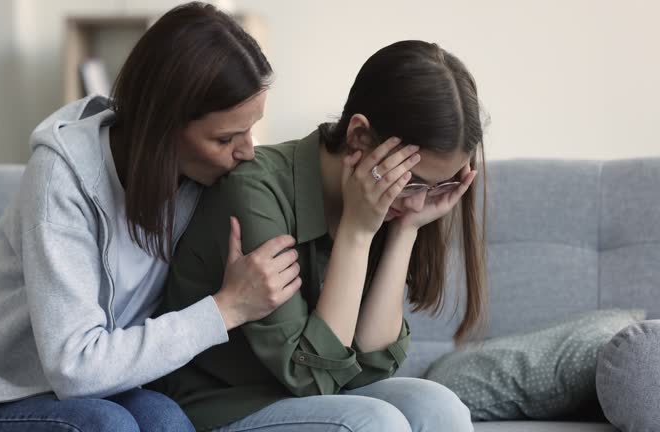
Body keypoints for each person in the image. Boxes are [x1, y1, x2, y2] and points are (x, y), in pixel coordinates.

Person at [0, 3, 302, 431]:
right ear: (163, 128)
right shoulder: (61, 179)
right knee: (106, 424)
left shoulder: (199, 177)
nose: (247, 150)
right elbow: (75, 369)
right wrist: (225, 309)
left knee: (166, 418)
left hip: (83, 393)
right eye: (226, 138)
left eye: (251, 129)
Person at [152, 40, 488, 431]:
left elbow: (369, 366)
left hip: (307, 397)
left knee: (440, 408)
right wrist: (358, 233)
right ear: (359, 136)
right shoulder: (254, 190)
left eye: (437, 187)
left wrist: (406, 229)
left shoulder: (391, 202)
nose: (418, 199)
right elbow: (311, 377)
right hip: (221, 403)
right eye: (413, 182)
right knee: (374, 423)